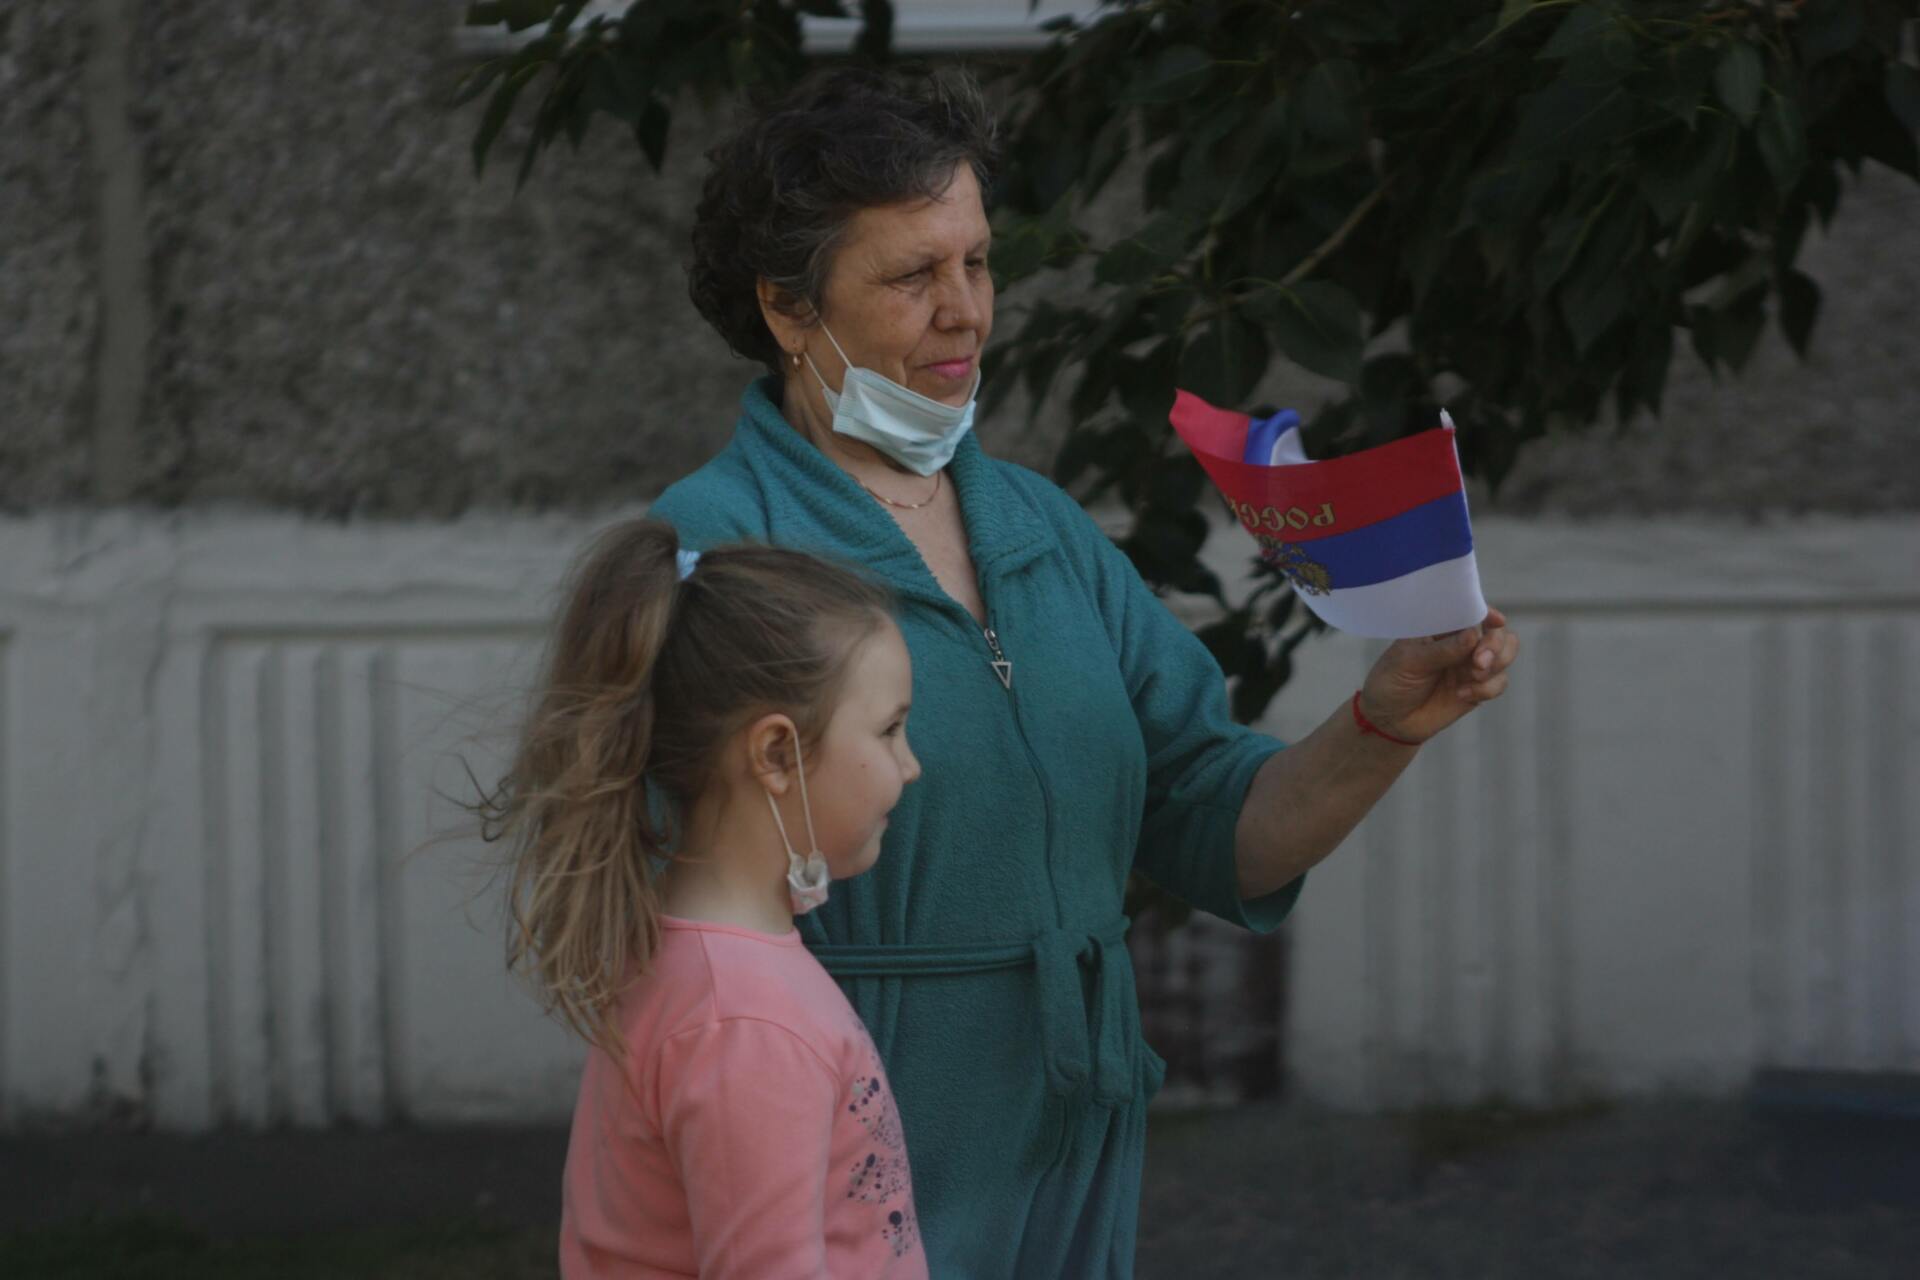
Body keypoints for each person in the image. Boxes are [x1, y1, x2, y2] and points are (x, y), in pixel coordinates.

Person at [653, 67, 1523, 1276]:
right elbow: (658, 907)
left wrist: (1382, 724)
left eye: (978, 263)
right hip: (850, 1126)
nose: (966, 311)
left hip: (1074, 1122)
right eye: (912, 276)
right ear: (789, 309)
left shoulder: (1040, 528)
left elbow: (1219, 826)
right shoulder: (717, 549)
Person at [480, 519, 929, 1278]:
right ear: (776, 753)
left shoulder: (703, 965)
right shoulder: (746, 1022)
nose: (910, 765)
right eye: (889, 731)